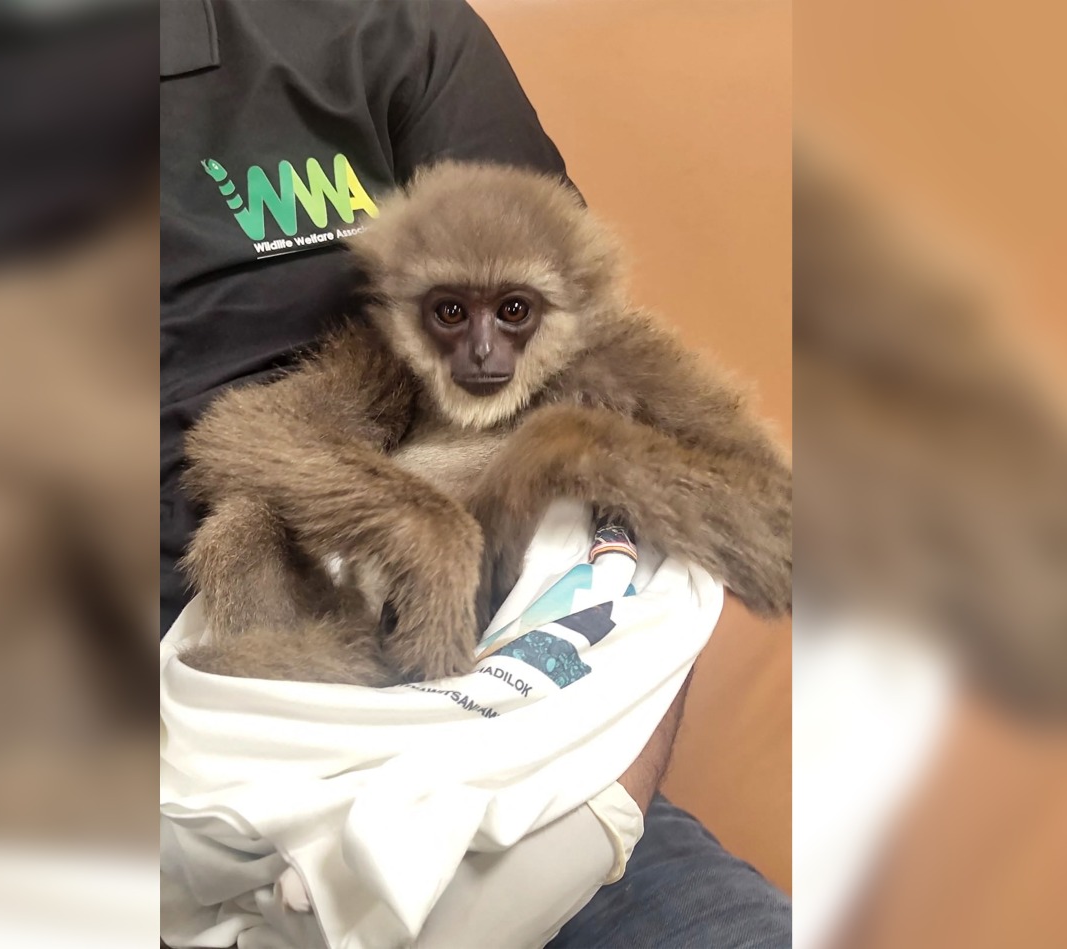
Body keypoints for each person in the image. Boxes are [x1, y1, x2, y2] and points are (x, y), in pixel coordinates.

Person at [160, 2, 791, 946]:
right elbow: (242, 441)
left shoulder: (375, 29)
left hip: (527, 738)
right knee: (243, 531)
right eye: (451, 316)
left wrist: (603, 803)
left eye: (513, 316)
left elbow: (759, 542)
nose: (485, 349)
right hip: (180, 747)